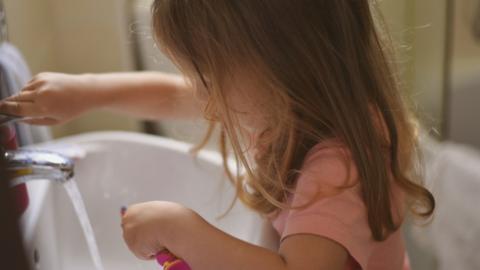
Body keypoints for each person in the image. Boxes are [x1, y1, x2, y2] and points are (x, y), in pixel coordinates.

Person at [0, 1, 435, 269]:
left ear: (282, 66)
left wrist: (182, 228)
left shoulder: (337, 171)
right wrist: (88, 91)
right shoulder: (295, 103)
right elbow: (172, 97)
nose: (207, 103)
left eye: (209, 78)